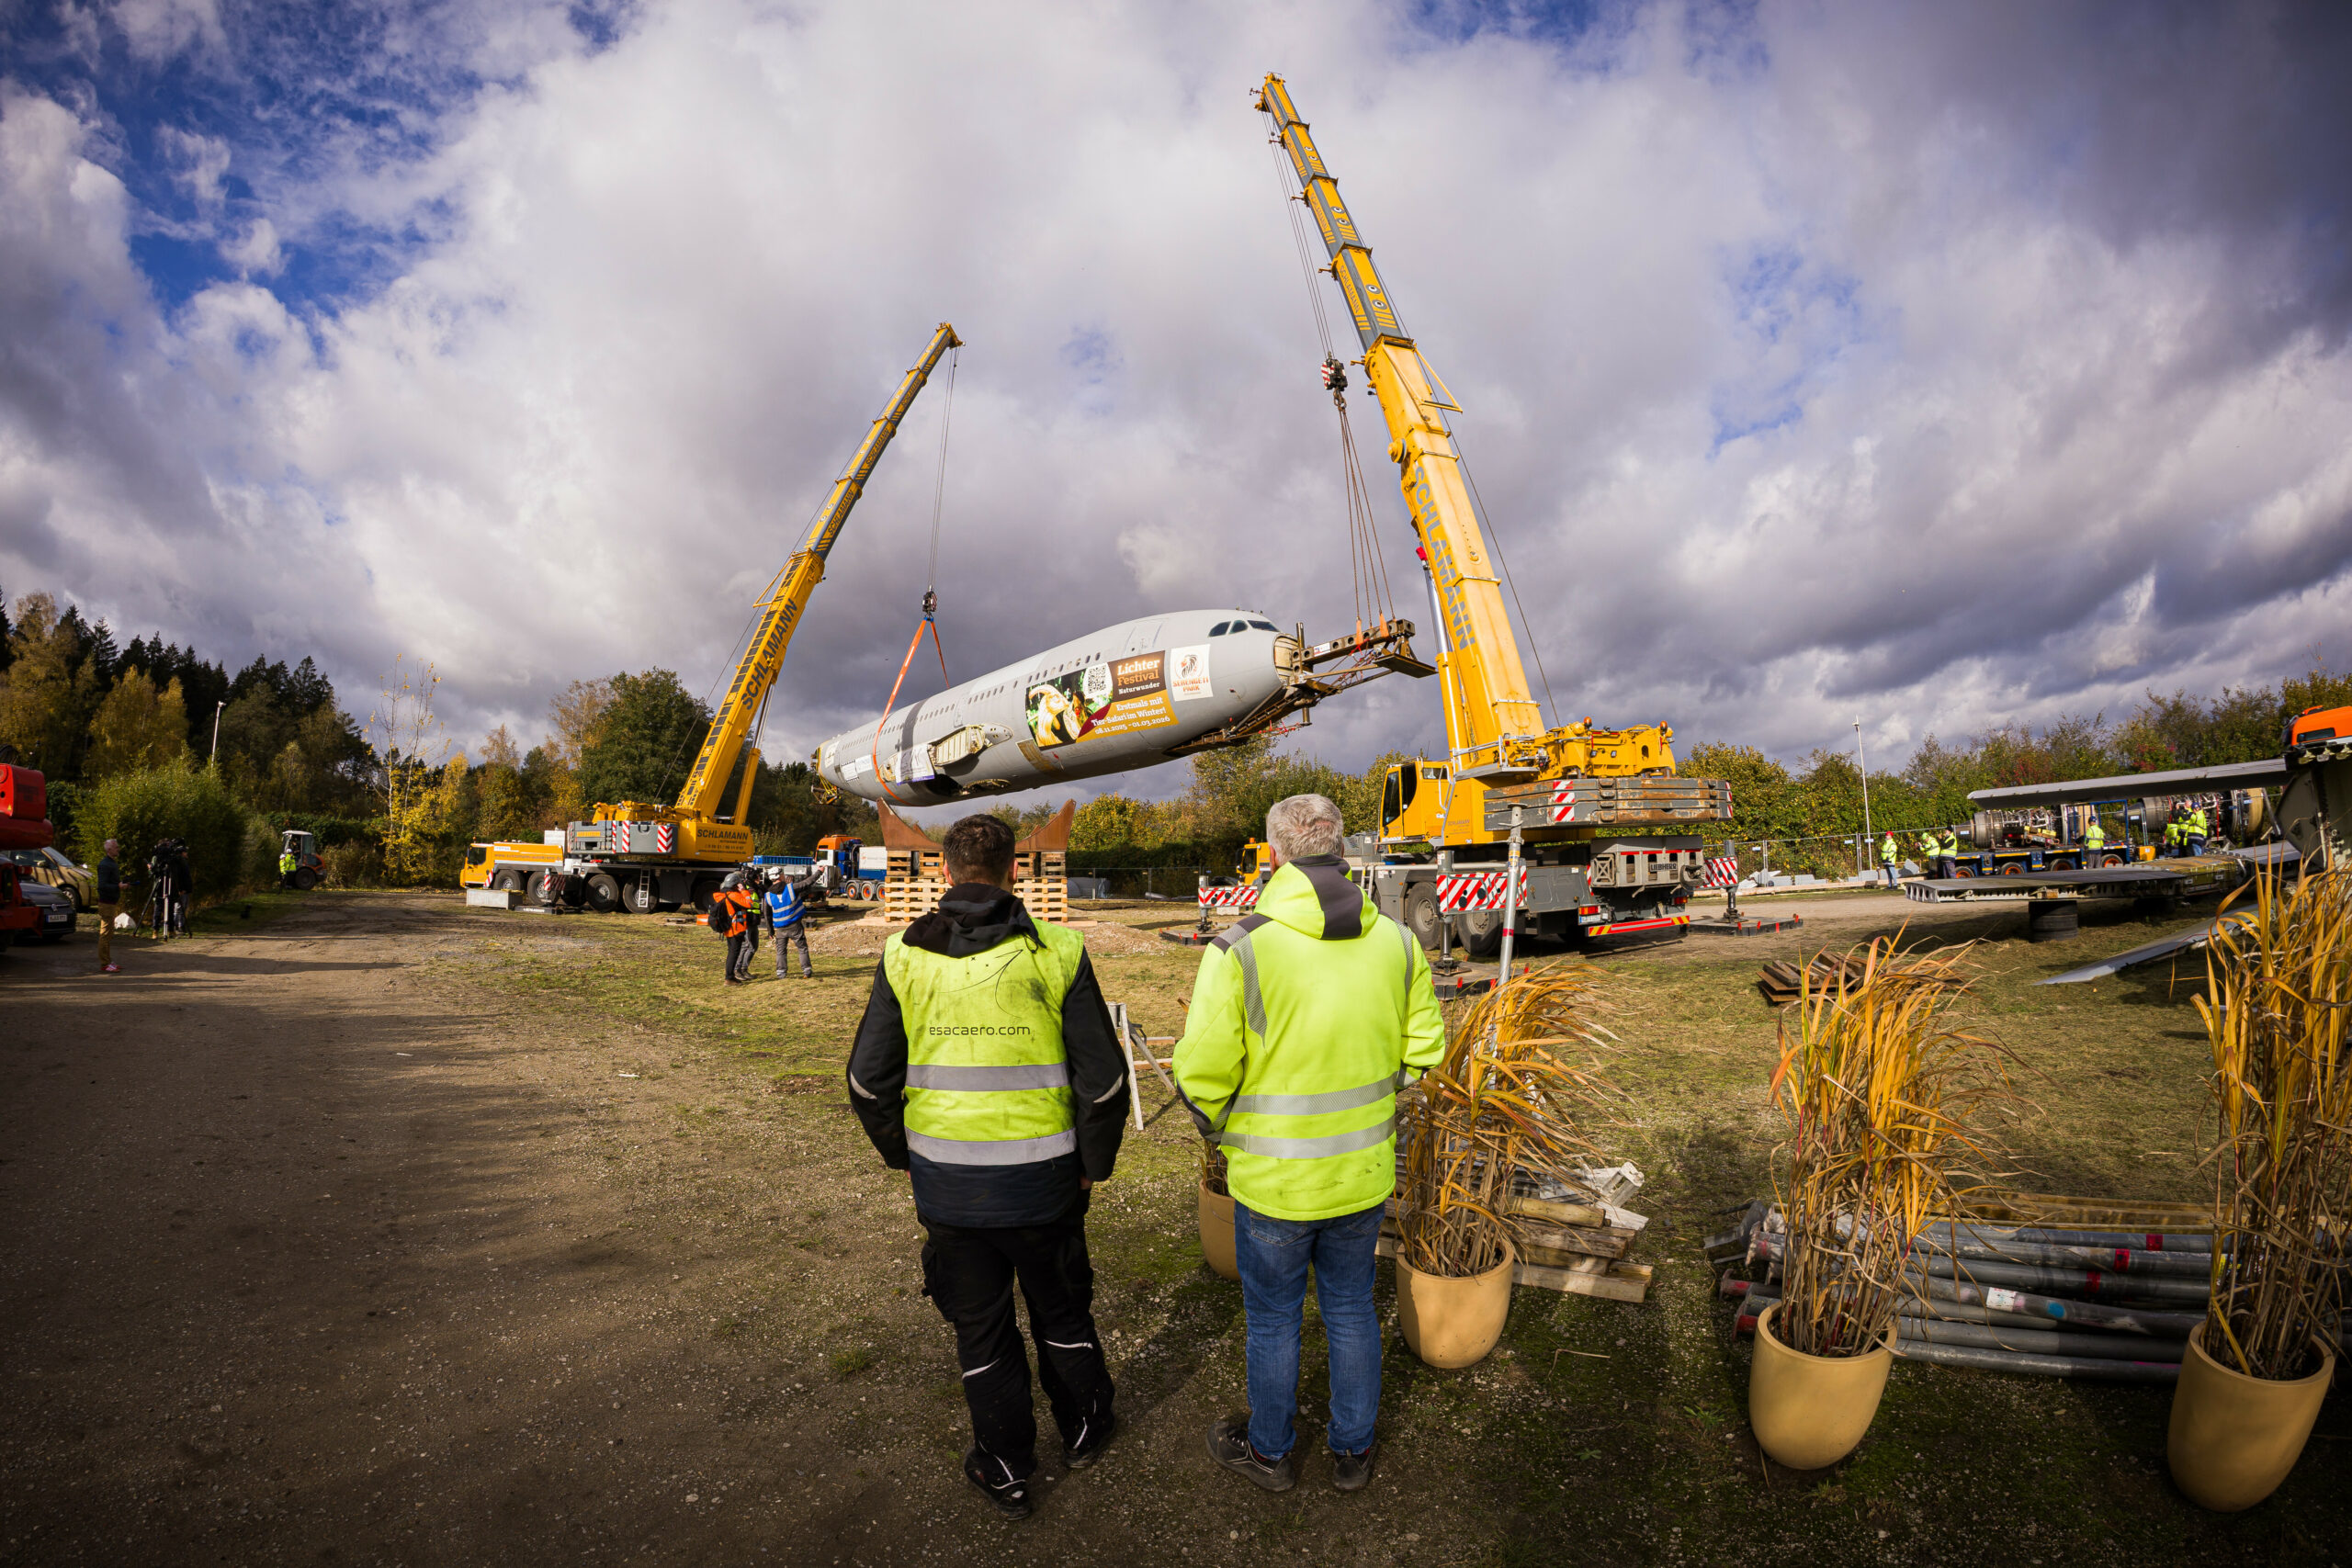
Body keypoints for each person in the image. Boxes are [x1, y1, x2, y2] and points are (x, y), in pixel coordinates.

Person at [847, 814, 1130, 1520]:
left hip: (949, 1189)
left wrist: (904, 1156)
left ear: (944, 871)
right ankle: (1087, 1425)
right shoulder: (1060, 951)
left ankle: (1003, 1463)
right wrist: (1093, 1164)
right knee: (1062, 1308)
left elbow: (865, 1080)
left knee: (982, 1328)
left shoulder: (903, 955)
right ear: (1016, 871)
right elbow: (1104, 1083)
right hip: (1047, 1184)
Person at [1174, 794, 1444, 1496]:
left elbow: (1201, 1073)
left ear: (1274, 854)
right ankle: (1352, 1451)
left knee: (1272, 1318)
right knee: (1352, 1307)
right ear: (1342, 849)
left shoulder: (1238, 947)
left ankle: (1271, 1452)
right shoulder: (1398, 940)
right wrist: (1375, 1089)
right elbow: (1425, 1048)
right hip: (1360, 1172)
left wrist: (1227, 1130)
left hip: (1274, 1182)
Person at [764, 867, 813, 979]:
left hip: (780, 929)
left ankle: (781, 973)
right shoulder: (791, 888)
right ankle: (806, 971)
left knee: (781, 951)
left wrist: (770, 931)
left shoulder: (767, 895)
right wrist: (820, 871)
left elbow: (767, 915)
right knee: (802, 948)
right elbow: (807, 883)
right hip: (795, 925)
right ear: (781, 876)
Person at [714, 871, 761, 984]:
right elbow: (748, 904)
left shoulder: (722, 894)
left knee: (732, 952)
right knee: (734, 953)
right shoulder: (733, 895)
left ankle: (731, 976)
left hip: (728, 928)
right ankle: (729, 978)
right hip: (736, 929)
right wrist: (744, 891)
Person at [96, 839, 121, 974]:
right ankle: (105, 963)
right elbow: (102, 886)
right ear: (109, 850)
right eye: (116, 847)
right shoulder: (105, 865)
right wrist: (118, 886)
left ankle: (108, 961)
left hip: (110, 902)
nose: (118, 849)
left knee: (109, 933)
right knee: (105, 934)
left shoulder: (111, 863)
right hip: (106, 903)